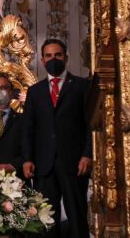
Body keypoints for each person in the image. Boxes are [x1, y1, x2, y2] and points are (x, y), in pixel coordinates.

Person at [22, 38, 92, 238]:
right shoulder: (34, 92)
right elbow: (28, 128)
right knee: (45, 221)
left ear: (66, 57)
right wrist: (27, 159)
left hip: (74, 164)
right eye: (49, 56)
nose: (54, 59)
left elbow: (90, 125)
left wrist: (87, 155)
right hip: (44, 166)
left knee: (77, 217)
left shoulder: (81, 86)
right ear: (43, 61)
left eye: (58, 55)